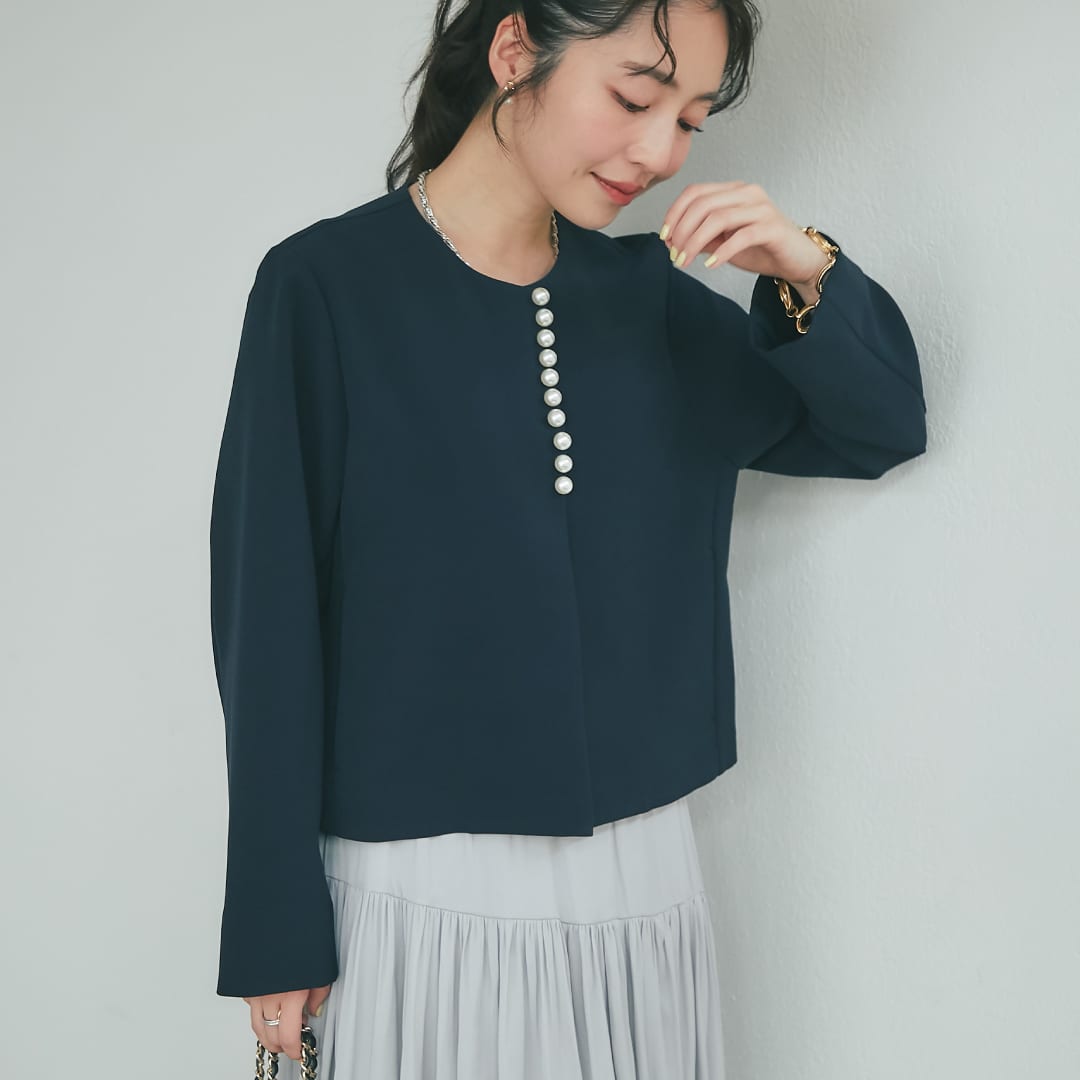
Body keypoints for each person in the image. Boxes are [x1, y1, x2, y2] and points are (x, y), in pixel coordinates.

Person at [208, 0, 927, 1076]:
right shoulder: (323, 288)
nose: (662, 152)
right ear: (515, 51)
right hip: (413, 892)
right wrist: (275, 923)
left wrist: (805, 267)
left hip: (635, 887)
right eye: (636, 97)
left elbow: (879, 427)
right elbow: (264, 621)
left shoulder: (648, 301)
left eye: (690, 120)